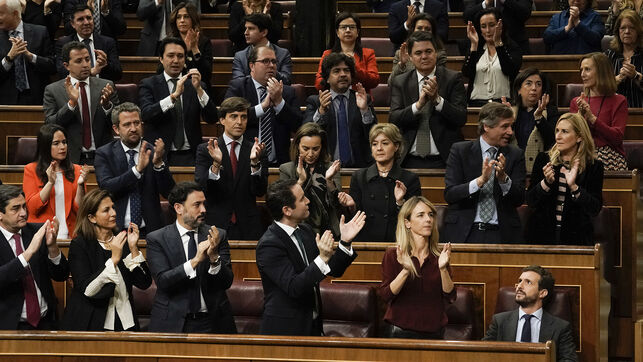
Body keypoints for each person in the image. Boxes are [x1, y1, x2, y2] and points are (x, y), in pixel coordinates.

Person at [256, 179, 366, 336]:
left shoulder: (305, 231)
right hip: (285, 332)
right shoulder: (269, 245)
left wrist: (345, 242)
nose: (308, 201)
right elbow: (294, 287)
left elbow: (332, 269)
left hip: (312, 325)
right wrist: (322, 258)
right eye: (302, 199)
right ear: (287, 210)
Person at [146, 182, 237, 333]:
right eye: (197, 205)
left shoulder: (217, 235)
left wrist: (214, 258)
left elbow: (226, 282)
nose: (203, 210)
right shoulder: (157, 239)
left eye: (204, 204)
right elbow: (163, 281)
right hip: (172, 322)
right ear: (178, 208)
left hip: (213, 321)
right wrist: (194, 262)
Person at [61, 189, 152, 331]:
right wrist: (114, 259)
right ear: (92, 218)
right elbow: (88, 290)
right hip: (91, 323)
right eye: (106, 210)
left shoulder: (122, 239)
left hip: (126, 322)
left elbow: (144, 283)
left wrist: (134, 248)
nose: (114, 213)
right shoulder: (80, 245)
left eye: (113, 208)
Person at [443, 102, 526, 244]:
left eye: (511, 126)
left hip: (502, 233)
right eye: (505, 126)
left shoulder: (515, 155)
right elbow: (450, 194)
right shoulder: (460, 151)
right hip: (465, 232)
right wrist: (480, 181)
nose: (510, 132)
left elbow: (519, 199)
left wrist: (503, 180)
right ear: (486, 126)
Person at [94, 102, 176, 236]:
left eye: (136, 123)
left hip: (149, 231)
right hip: (115, 230)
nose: (133, 128)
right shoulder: (104, 154)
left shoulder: (154, 152)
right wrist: (136, 171)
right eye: (127, 124)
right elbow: (106, 187)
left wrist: (158, 164)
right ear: (116, 129)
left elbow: (169, 193)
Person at [379, 196, 455, 339]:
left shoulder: (440, 257)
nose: (428, 219)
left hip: (434, 333)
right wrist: (406, 270)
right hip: (400, 333)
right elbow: (386, 295)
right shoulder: (393, 254)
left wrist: (443, 269)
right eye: (421, 215)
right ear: (407, 223)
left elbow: (450, 296)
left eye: (430, 215)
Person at [390, 31, 467, 168]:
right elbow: (394, 119)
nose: (424, 56)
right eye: (418, 53)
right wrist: (418, 106)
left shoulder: (453, 79)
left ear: (436, 53)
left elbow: (461, 118)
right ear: (411, 57)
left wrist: (437, 100)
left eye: (428, 51)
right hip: (408, 159)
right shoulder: (400, 82)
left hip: (444, 159)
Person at [194, 97, 268, 240]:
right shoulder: (206, 150)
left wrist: (254, 164)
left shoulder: (257, 150)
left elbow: (259, 191)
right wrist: (215, 165)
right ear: (222, 120)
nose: (239, 122)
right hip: (215, 225)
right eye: (234, 116)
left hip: (249, 226)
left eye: (243, 117)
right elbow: (202, 187)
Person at [526, 113, 603, 245]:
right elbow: (531, 201)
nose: (558, 136)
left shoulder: (593, 166)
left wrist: (574, 187)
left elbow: (594, 208)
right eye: (557, 131)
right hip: (541, 237)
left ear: (579, 137)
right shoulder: (544, 160)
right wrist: (546, 183)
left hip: (577, 239)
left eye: (565, 132)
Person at [138, 37, 218, 166]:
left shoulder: (196, 84)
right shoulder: (149, 84)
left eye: (180, 56)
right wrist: (173, 97)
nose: (175, 60)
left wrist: (199, 90)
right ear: (161, 59)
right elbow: (146, 115)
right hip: (159, 155)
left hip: (191, 155)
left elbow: (212, 118)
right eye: (170, 56)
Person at [0, 184, 69, 329]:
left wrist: (52, 247)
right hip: (9, 327)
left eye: (24, 207)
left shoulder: (35, 232)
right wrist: (28, 253)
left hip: (46, 322)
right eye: (15, 208)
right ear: (0, 214)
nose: (24, 213)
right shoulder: (35, 240)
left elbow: (61, 275)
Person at [338, 123, 421, 242]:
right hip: (366, 242)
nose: (379, 148)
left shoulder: (409, 179)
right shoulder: (359, 177)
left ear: (396, 146)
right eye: (374, 144)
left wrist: (400, 202)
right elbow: (354, 219)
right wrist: (352, 206)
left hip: (397, 242)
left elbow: (414, 220)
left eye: (385, 143)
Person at [224, 45, 302, 166]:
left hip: (279, 164)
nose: (271, 65)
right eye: (265, 61)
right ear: (252, 66)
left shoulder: (287, 92)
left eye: (274, 62)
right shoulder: (238, 87)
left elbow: (298, 126)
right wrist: (263, 107)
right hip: (244, 162)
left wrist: (279, 102)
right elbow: (229, 118)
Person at [44, 41, 118, 165]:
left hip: (103, 157)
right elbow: (50, 126)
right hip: (70, 159)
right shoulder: (53, 90)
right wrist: (71, 104)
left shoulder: (106, 86)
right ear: (67, 65)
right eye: (79, 61)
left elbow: (117, 124)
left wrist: (107, 106)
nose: (85, 65)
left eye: (87, 59)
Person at [483, 265, 578, 362]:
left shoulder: (560, 327)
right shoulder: (499, 321)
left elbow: (569, 360)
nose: (519, 286)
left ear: (542, 293)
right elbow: (482, 353)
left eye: (528, 282)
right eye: (520, 281)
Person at [305, 53, 376, 168]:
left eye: (346, 70)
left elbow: (373, 134)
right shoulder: (316, 101)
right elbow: (306, 133)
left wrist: (364, 110)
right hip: (325, 167)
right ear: (327, 78)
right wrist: (321, 111)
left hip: (359, 167)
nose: (343, 74)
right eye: (336, 71)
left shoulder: (363, 99)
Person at [23, 124, 89, 240]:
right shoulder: (31, 170)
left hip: (71, 235)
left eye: (64, 142)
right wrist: (50, 183)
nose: (63, 147)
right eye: (56, 143)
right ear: (45, 146)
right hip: (42, 236)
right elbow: (33, 208)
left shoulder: (77, 170)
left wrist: (80, 186)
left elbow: (80, 210)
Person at [279, 123, 343, 238]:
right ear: (297, 146)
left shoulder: (331, 168)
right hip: (297, 230)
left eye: (315, 149)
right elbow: (284, 204)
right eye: (305, 148)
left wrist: (329, 180)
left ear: (322, 147)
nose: (310, 154)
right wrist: (301, 181)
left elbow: (337, 204)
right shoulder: (286, 169)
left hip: (329, 231)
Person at [570, 52, 628, 170]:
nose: (582, 74)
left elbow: (617, 138)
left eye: (587, 69)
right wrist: (579, 117)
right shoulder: (576, 102)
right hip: (581, 154)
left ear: (601, 72)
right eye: (581, 70)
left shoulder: (619, 100)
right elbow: (572, 137)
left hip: (609, 155)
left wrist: (592, 118)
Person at [462, 8, 522, 106]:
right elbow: (467, 73)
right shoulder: (476, 48)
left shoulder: (512, 47)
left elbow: (510, 70)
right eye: (483, 26)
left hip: (503, 104)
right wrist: (473, 45)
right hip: (476, 103)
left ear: (500, 25)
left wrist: (498, 44)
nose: (488, 30)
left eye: (492, 25)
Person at [0, 0, 56, 105]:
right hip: (6, 101)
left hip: (36, 98)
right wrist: (9, 58)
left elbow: (52, 67)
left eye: (1, 14)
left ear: (15, 13)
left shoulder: (40, 32)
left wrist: (31, 57)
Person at [314, 12, 380, 94]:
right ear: (337, 32)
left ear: (358, 32)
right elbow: (318, 84)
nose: (348, 30)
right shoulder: (328, 54)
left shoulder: (368, 53)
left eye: (352, 27)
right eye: (344, 27)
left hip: (360, 99)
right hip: (334, 99)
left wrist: (355, 68)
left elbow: (374, 81)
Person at [55, 4, 122, 81]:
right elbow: (62, 73)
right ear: (73, 24)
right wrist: (91, 72)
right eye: (80, 19)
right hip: (75, 88)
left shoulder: (108, 42)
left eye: (89, 18)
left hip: (102, 89)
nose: (86, 22)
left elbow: (118, 75)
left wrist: (105, 64)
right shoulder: (64, 43)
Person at [509, 68, 558, 172]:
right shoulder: (510, 111)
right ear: (519, 89)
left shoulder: (550, 111)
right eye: (528, 84)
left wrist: (539, 117)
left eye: (538, 84)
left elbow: (553, 140)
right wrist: (508, 120)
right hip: (513, 167)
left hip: (541, 169)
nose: (534, 88)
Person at [388, 13, 447, 87]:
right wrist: (402, 64)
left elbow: (442, 81)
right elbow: (391, 84)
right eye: (419, 28)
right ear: (413, 30)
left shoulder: (439, 54)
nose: (423, 31)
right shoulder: (401, 54)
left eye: (427, 29)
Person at [231, 12, 292, 84]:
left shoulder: (283, 54)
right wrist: (260, 73)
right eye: (246, 28)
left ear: (264, 32)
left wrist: (269, 70)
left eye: (251, 28)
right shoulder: (240, 56)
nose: (246, 33)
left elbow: (287, 80)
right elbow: (238, 82)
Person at [168, 2, 213, 93]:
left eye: (186, 17)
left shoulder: (204, 42)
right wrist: (186, 52)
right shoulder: (169, 42)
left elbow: (207, 74)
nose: (182, 20)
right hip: (174, 88)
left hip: (198, 88)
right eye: (178, 17)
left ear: (193, 19)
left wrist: (194, 49)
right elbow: (161, 70)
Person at [463, 0, 533, 55]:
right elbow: (467, 17)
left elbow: (525, 13)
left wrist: (505, 1)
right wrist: (485, 4)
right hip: (483, 47)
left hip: (515, 45)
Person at [605, 9, 643, 107]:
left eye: (632, 28)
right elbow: (599, 88)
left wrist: (636, 76)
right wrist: (617, 79)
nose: (627, 32)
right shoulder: (608, 56)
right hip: (613, 111)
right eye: (623, 28)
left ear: (638, 31)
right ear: (618, 31)